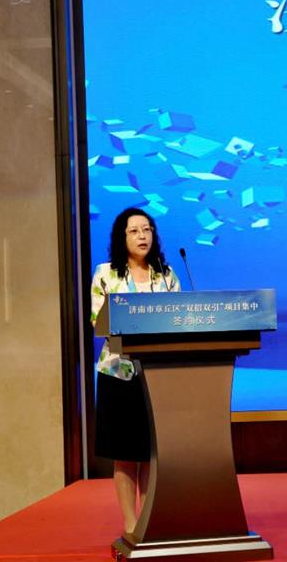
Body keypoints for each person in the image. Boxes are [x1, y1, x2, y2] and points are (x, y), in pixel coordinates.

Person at [89, 207, 180, 534]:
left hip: (156, 375)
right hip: (118, 373)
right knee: (125, 454)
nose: (142, 236)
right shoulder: (106, 274)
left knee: (151, 453)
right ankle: (131, 524)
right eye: (134, 231)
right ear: (122, 237)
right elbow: (98, 322)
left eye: (147, 229)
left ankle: (150, 520)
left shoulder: (165, 275)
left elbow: (178, 319)